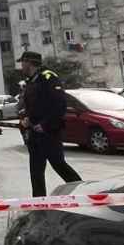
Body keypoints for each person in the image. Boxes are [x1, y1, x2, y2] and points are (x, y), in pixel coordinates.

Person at [18, 51, 81, 196]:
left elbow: (59, 105)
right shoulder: (31, 80)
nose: (21, 66)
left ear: (29, 62)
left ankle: (82, 193)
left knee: (59, 165)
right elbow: (31, 105)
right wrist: (26, 118)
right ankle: (39, 205)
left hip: (49, 132)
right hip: (34, 133)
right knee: (36, 171)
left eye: (23, 62)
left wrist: (45, 124)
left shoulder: (48, 77)